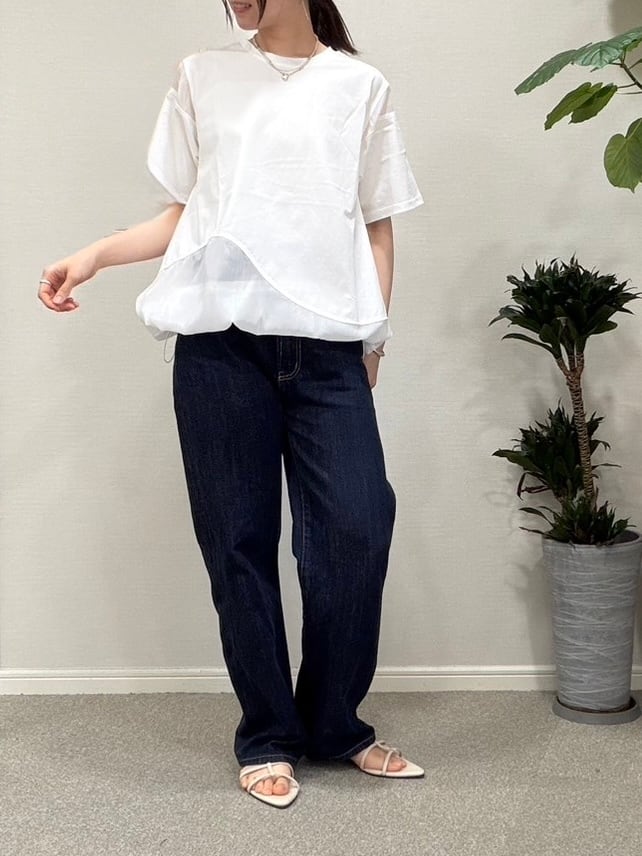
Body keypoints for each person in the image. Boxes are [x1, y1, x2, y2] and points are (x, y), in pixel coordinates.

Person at [38, 0, 425, 809]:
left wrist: (373, 340)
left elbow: (376, 226)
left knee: (357, 530)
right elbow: (187, 214)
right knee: (238, 545)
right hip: (219, 349)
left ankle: (334, 724)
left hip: (328, 354)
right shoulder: (201, 76)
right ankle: (268, 734)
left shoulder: (359, 86)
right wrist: (96, 255)